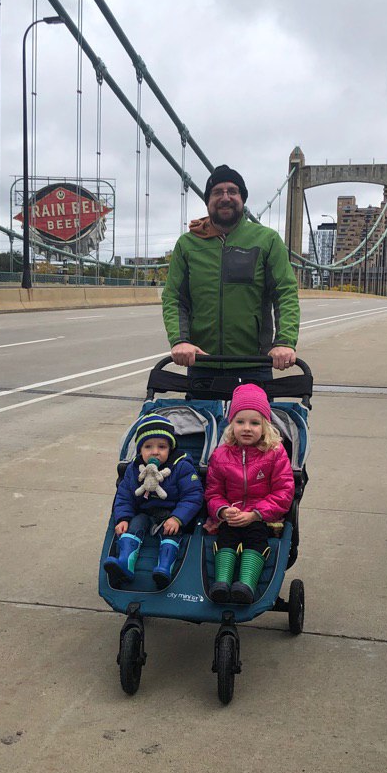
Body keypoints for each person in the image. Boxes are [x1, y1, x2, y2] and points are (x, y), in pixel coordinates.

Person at [162, 165, 301, 386]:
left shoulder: (267, 240)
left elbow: (285, 294)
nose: (225, 197)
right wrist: (180, 341)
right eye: (217, 192)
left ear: (242, 199)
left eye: (232, 191)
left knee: (253, 422)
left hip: (254, 365)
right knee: (202, 420)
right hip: (202, 363)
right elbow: (174, 299)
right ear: (208, 201)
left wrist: (284, 342)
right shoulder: (187, 244)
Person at [203, 384, 295, 604]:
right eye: (240, 422)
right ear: (231, 424)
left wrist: (255, 513)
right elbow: (213, 491)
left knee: (255, 538)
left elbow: (284, 491)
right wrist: (223, 510)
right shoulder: (221, 454)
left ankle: (246, 584)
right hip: (231, 516)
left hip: (262, 516)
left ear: (265, 426)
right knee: (226, 537)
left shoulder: (274, 453)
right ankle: (222, 582)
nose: (247, 428)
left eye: (255, 423)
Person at [105, 413, 204, 589]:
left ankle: (164, 568)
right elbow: (124, 496)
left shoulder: (181, 466)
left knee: (171, 534)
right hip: (145, 512)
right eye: (148, 446)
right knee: (134, 526)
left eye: (162, 446)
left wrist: (178, 518)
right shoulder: (135, 468)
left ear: (170, 448)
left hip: (172, 514)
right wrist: (123, 518)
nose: (155, 451)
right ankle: (124, 564)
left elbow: (193, 495)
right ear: (140, 450)